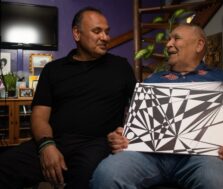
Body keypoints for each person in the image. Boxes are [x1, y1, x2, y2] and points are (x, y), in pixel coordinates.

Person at [90, 23, 223, 189]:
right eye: (169, 39)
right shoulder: (152, 80)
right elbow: (131, 128)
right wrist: (120, 136)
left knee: (216, 182)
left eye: (175, 38)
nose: (168, 44)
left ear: (199, 44)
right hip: (148, 157)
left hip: (203, 159)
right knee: (107, 174)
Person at [0, 7, 136, 189]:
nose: (105, 37)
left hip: (98, 143)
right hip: (54, 140)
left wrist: (124, 131)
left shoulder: (120, 67)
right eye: (97, 31)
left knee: (86, 177)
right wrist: (47, 146)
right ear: (77, 33)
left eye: (107, 32)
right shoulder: (53, 70)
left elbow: (139, 108)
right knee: (5, 164)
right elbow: (39, 116)